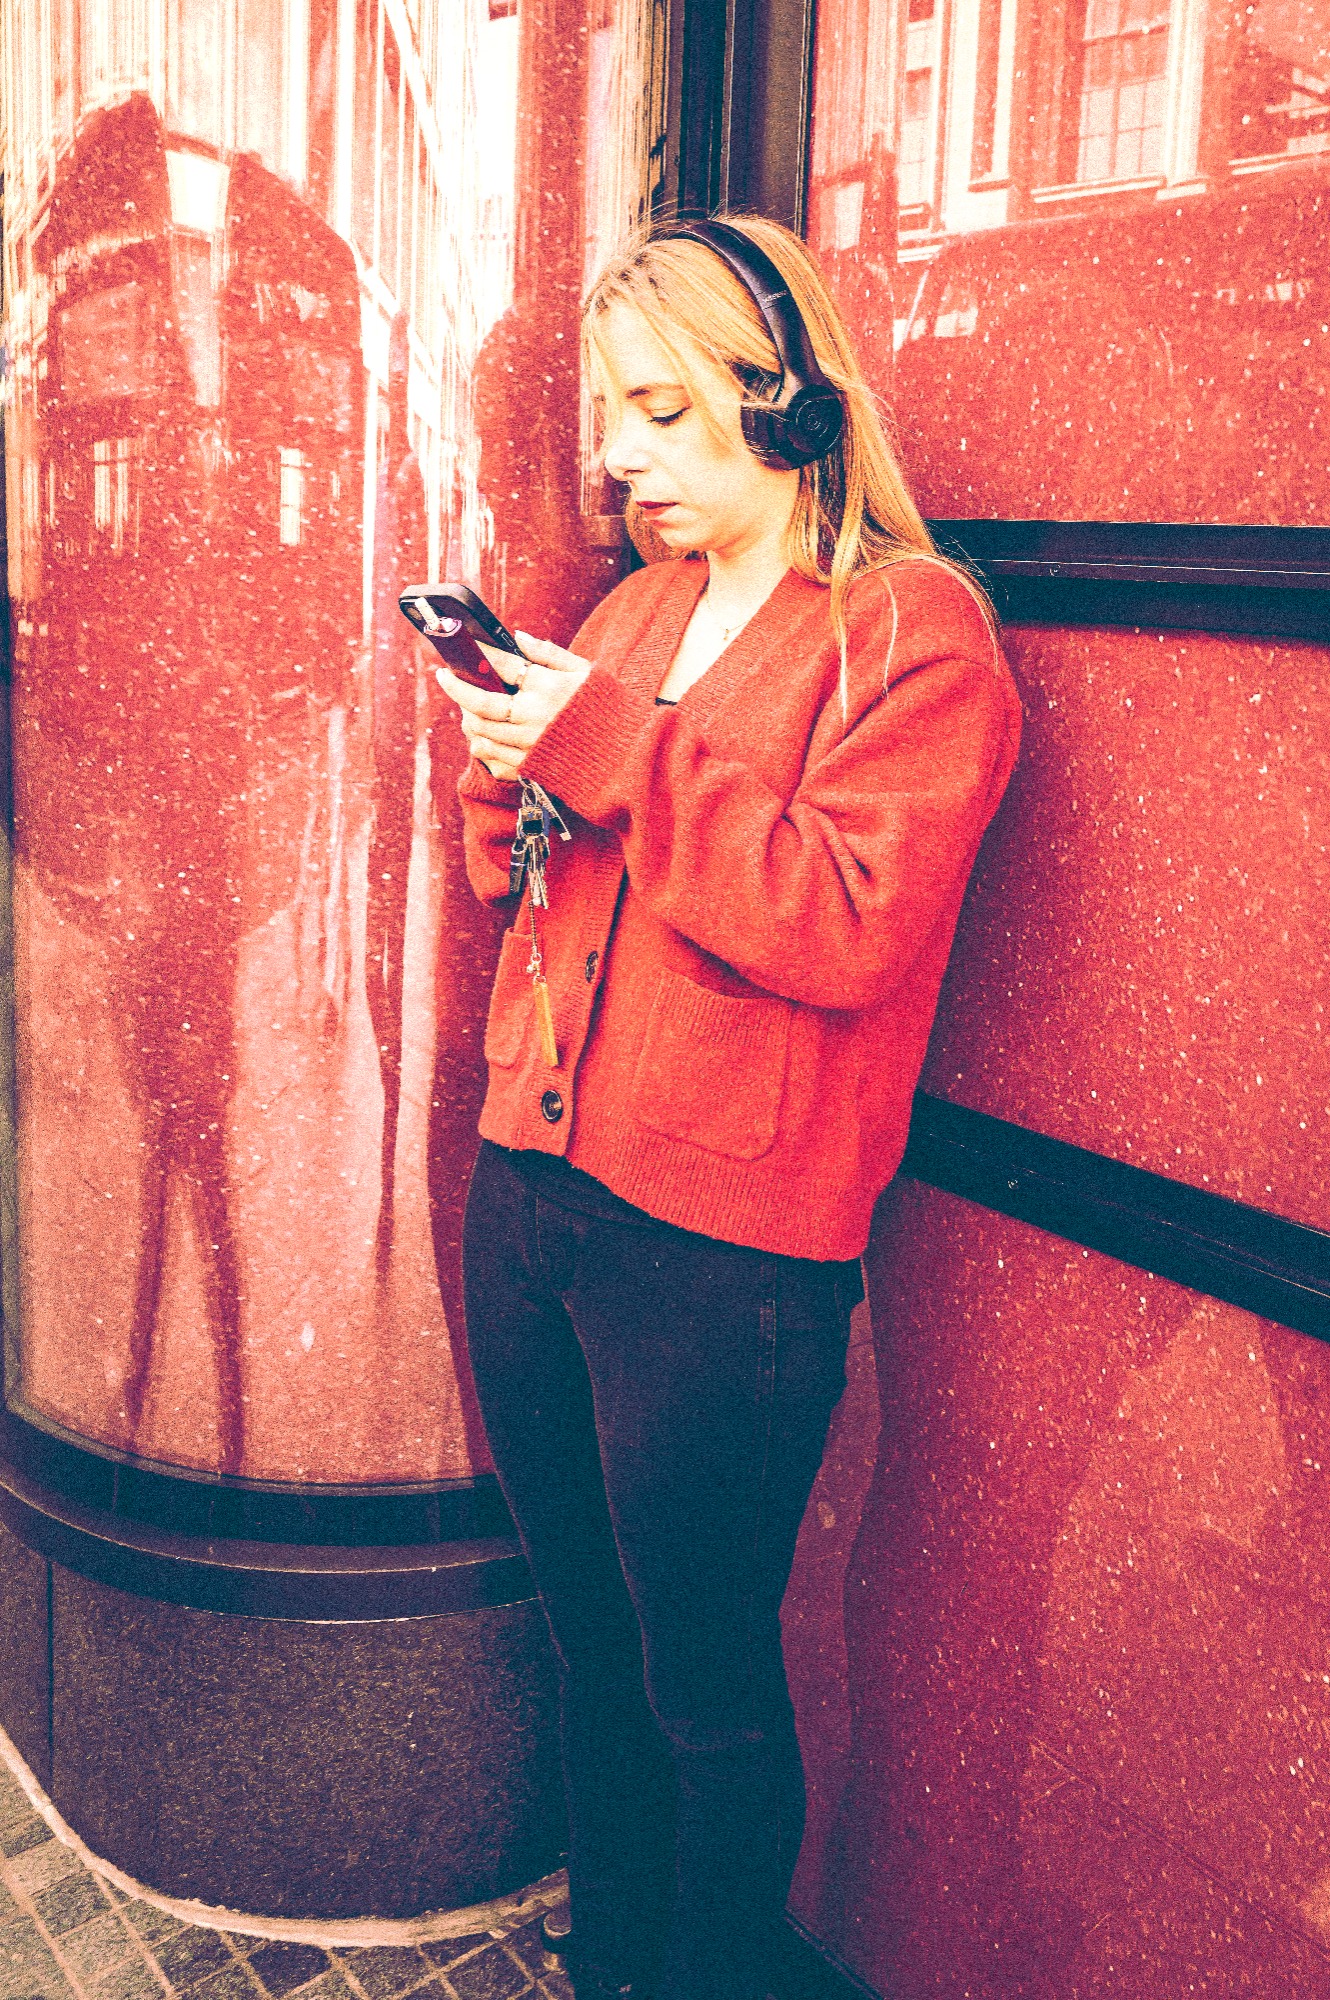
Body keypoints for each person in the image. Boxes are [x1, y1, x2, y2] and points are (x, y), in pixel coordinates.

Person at [438, 216, 1023, 2000]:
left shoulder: (911, 636)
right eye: (609, 411)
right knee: (587, 1640)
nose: (619, 455)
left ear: (787, 407)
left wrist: (611, 748)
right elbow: (527, 882)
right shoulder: (634, 609)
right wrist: (503, 776)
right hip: (532, 1187)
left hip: (720, 1250)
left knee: (700, 1682)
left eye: (662, 410)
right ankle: (614, 1951)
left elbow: (845, 921)